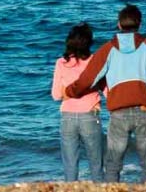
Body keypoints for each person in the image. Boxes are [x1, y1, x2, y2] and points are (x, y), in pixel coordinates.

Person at [65, 5, 146, 182]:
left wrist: (71, 91)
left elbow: (88, 79)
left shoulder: (107, 49)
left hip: (118, 112)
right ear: (139, 24)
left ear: (119, 24)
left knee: (113, 163)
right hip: (144, 109)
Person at [51, 22, 104, 182]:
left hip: (67, 116)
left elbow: (55, 95)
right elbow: (106, 89)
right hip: (89, 115)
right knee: (96, 163)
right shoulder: (95, 61)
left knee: (70, 164)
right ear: (89, 42)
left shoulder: (61, 62)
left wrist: (68, 94)